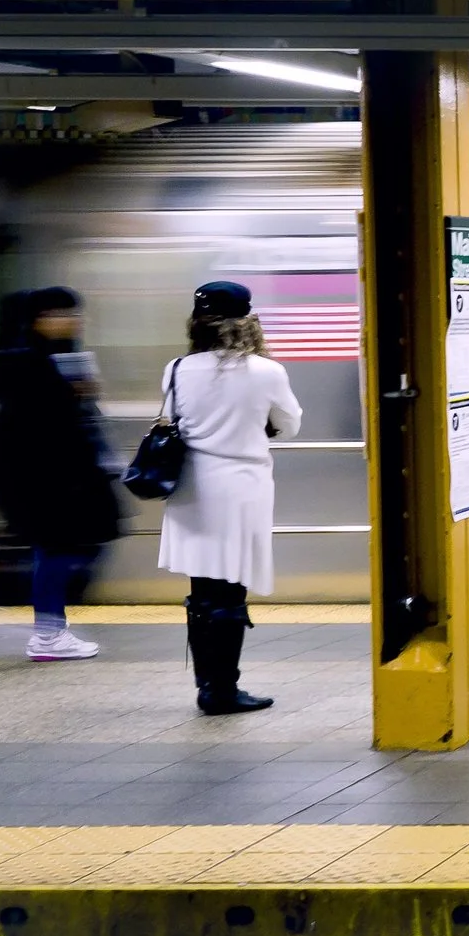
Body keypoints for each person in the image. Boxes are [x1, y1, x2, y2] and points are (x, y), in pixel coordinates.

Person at [156, 281, 302, 714]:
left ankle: (209, 686)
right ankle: (223, 689)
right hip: (240, 490)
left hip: (192, 489)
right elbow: (290, 425)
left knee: (202, 589)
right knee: (231, 589)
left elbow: (172, 419)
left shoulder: (178, 368)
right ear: (249, 320)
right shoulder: (266, 371)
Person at [0, 287, 121, 661]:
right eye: (61, 313)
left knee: (66, 548)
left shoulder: (62, 356)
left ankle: (50, 627)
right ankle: (48, 633)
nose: (72, 320)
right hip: (44, 479)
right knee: (60, 550)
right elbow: (41, 423)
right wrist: (71, 395)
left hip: (63, 476)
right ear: (38, 320)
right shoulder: (22, 363)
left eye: (74, 313)